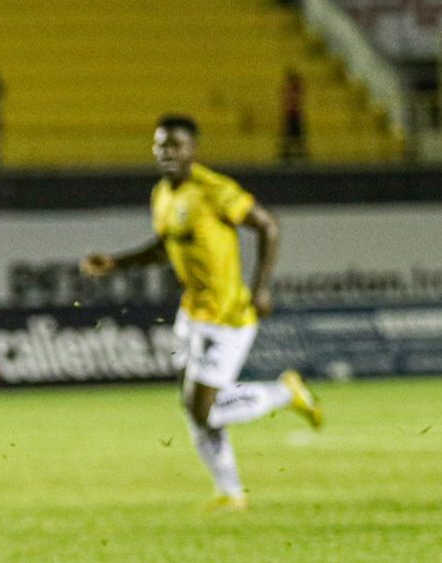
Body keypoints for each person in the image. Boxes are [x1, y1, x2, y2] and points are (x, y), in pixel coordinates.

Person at [80, 114, 322, 511]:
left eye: (176, 145)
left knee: (202, 408)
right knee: (193, 406)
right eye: (161, 145)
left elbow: (269, 226)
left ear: (193, 149)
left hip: (227, 315)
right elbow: (165, 246)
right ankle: (230, 492)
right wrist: (116, 264)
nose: (167, 153)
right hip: (191, 313)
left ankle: (284, 392)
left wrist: (261, 288)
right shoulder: (162, 194)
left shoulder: (214, 190)